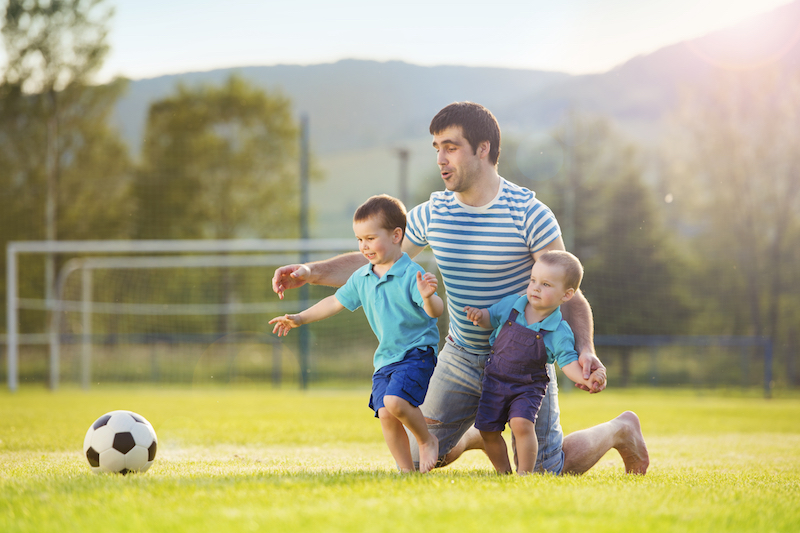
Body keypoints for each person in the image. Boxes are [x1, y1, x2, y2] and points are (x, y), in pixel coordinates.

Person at [272, 101, 649, 475]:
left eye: (450, 147)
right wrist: (309, 271)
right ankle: (476, 435)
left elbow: (571, 293)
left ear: (483, 149)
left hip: (523, 360)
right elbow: (378, 258)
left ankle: (620, 429)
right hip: (461, 354)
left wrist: (585, 348)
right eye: (436, 148)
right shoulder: (433, 212)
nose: (441, 159)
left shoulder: (529, 213)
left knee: (543, 471)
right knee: (422, 457)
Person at [268, 194, 444, 473]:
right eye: (359, 239)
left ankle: (427, 440)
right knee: (386, 414)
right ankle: (406, 473)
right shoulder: (362, 277)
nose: (364, 246)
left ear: (397, 235)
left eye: (371, 238)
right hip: (386, 358)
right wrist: (299, 318)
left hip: (416, 352)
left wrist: (427, 297)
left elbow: (436, 311)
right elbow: (334, 303)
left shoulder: (411, 273)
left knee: (395, 402)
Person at [464, 250, 602, 474]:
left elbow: (568, 363)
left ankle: (524, 475)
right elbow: (491, 317)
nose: (536, 287)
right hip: (495, 381)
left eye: (546, 284)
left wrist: (587, 379)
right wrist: (480, 316)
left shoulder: (558, 330)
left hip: (527, 387)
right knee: (487, 431)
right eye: (533, 280)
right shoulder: (512, 306)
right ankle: (504, 473)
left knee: (521, 423)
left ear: (566, 295)